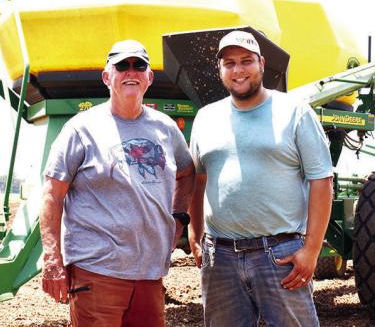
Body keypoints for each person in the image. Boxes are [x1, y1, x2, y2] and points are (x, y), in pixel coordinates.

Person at [40, 39, 194, 327]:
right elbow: (52, 193)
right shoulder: (81, 129)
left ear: (149, 77)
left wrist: (180, 218)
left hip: (150, 273)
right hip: (96, 271)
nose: (130, 72)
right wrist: (52, 259)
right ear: (106, 76)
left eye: (139, 65)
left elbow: (186, 175)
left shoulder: (166, 129)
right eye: (122, 65)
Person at [188, 30, 333, 326]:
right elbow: (198, 179)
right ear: (220, 70)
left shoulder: (294, 112)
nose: (238, 70)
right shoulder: (206, 117)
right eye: (229, 63)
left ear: (262, 64)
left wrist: (312, 250)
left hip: (280, 256)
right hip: (220, 258)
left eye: (246, 61)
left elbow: (322, 181)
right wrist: (195, 231)